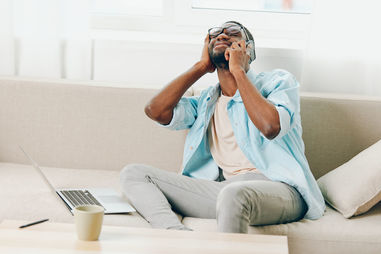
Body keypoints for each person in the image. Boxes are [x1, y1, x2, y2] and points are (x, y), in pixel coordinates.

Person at [120, 21, 325, 233]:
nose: (222, 36)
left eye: (233, 33)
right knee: (134, 174)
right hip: (225, 190)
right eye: (215, 34)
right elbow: (155, 110)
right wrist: (201, 67)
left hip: (281, 190)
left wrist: (239, 72)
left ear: (249, 51)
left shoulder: (278, 82)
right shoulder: (205, 102)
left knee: (233, 194)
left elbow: (270, 126)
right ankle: (176, 236)